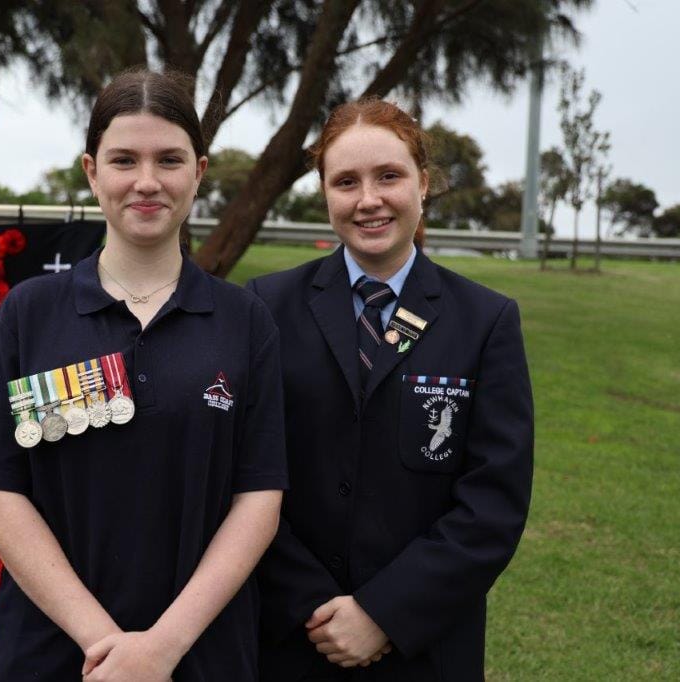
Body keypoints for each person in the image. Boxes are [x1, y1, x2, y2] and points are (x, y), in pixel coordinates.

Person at [0, 69, 287, 681]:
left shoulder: (246, 322)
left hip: (200, 655)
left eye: (169, 160)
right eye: (124, 160)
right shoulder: (29, 314)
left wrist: (160, 649)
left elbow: (260, 500)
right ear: (92, 172)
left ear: (198, 172)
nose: (147, 182)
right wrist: (105, 644)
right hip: (53, 652)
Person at [249, 98, 533, 681]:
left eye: (389, 176)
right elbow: (243, 476)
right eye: (346, 181)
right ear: (324, 191)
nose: (369, 199)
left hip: (424, 648)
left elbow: (493, 504)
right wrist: (311, 606)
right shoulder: (264, 308)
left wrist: (384, 613)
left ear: (423, 184)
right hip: (289, 641)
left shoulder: (485, 321)